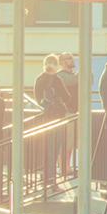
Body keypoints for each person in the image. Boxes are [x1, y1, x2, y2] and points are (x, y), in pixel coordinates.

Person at [34, 54, 70, 189]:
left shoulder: (39, 79)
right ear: (56, 64)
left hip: (44, 118)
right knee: (55, 148)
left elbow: (37, 98)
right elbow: (67, 97)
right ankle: (51, 179)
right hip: (57, 117)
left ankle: (44, 176)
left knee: (45, 148)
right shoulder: (56, 79)